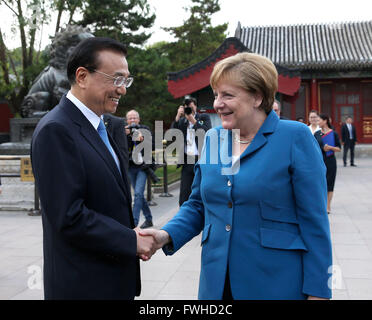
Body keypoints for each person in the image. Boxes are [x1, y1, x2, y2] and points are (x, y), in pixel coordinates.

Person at [141, 52, 332, 300]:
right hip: (217, 283)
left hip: (276, 283)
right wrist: (165, 234)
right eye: (216, 95)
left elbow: (314, 222)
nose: (218, 104)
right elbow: (199, 204)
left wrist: (319, 292)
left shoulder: (295, 137)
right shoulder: (212, 139)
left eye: (228, 95)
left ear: (257, 97)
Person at [30, 37, 157, 300]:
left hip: (112, 279)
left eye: (126, 81)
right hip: (84, 285)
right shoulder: (56, 130)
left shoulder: (104, 126)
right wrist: (129, 240)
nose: (122, 90)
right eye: (116, 79)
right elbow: (69, 216)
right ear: (82, 76)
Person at [171, 97, 211, 206]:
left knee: (202, 189)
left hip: (201, 159)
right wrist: (178, 116)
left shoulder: (204, 117)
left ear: (196, 107)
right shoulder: (183, 121)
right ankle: (183, 217)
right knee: (184, 193)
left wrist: (192, 120)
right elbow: (172, 135)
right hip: (187, 160)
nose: (189, 110)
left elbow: (206, 132)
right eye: (187, 107)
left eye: (191, 107)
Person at [125, 109, 154, 228]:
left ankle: (134, 223)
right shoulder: (124, 131)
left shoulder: (145, 129)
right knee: (139, 195)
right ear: (127, 120)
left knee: (137, 194)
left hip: (143, 166)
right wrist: (126, 135)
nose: (132, 120)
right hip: (131, 166)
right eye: (130, 118)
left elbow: (151, 145)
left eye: (134, 118)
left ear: (139, 119)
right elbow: (122, 148)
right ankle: (149, 219)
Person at [314, 114, 341, 215]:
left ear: (325, 121)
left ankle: (328, 206)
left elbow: (339, 148)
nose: (317, 122)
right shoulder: (316, 134)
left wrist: (330, 148)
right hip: (319, 161)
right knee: (320, 183)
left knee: (330, 183)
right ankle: (320, 204)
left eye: (319, 120)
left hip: (330, 161)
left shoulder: (333, 134)